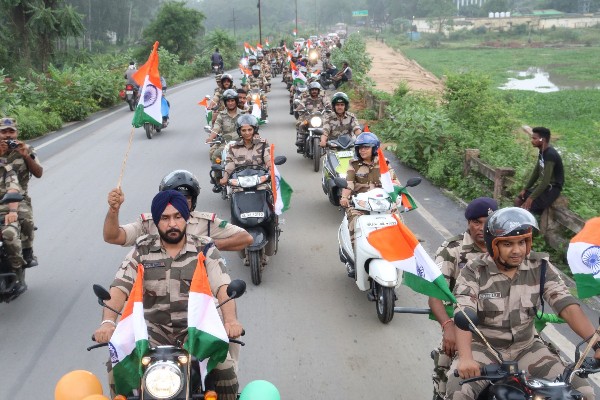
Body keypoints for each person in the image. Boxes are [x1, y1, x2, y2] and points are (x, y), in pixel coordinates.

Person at [95, 190, 244, 399]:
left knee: (224, 366)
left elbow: (223, 287)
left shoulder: (205, 248)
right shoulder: (142, 249)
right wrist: (108, 323)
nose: (172, 224)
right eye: (165, 218)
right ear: (156, 221)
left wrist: (231, 321)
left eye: (177, 217)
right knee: (115, 364)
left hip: (195, 331)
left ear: (186, 218)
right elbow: (120, 286)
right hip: (152, 333)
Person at [446, 207, 599, 400]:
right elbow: (464, 311)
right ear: (493, 245)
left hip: (527, 348)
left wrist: (596, 343)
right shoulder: (474, 271)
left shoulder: (540, 266)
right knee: (458, 391)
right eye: (508, 244)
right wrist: (466, 358)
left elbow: (566, 305)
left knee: (583, 393)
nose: (517, 250)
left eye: (522, 242)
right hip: (484, 349)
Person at [428, 197, 498, 399]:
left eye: (487, 222)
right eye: (476, 222)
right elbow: (435, 296)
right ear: (469, 223)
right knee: (449, 375)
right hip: (464, 325)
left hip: (501, 326)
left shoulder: (506, 247)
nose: (481, 228)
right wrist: (448, 326)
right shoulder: (452, 249)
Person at [103, 170, 252, 252]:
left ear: (193, 200)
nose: (181, 202)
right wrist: (113, 210)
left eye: (186, 198)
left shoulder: (205, 222)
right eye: (165, 218)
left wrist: (207, 246)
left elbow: (246, 238)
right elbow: (112, 237)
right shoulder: (148, 223)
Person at [339, 132, 398, 274]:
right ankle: (356, 256)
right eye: (360, 148)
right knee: (354, 220)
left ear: (374, 148)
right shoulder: (354, 165)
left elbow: (394, 182)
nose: (362, 150)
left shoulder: (384, 164)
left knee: (398, 219)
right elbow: (349, 184)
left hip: (382, 204)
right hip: (360, 205)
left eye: (366, 147)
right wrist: (345, 198)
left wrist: (399, 193)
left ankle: (400, 254)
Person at [0, 117, 41, 268]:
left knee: (26, 219)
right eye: (4, 132)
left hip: (19, 197)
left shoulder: (26, 148)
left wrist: (25, 156)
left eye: (11, 131)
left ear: (16, 133)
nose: (8, 135)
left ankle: (27, 252)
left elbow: (38, 173)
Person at [514, 126, 563, 215]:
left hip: (552, 189)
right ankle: (517, 225)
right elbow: (536, 172)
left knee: (525, 208)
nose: (532, 140)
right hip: (546, 187)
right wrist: (525, 188)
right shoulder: (542, 152)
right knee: (518, 199)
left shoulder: (550, 155)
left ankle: (525, 227)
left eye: (534, 138)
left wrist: (531, 197)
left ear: (542, 140)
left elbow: (546, 180)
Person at [220, 115, 271, 188]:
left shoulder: (263, 144)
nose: (247, 133)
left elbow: (268, 160)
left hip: (260, 181)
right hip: (239, 182)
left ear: (254, 130)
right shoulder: (233, 147)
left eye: (250, 129)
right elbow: (229, 165)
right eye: (243, 130)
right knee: (233, 193)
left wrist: (271, 171)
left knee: (268, 192)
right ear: (239, 131)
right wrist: (225, 177)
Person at [206, 89, 243, 167]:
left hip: (242, 142)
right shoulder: (221, 115)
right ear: (225, 103)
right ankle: (218, 178)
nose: (230, 103)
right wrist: (211, 137)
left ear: (236, 101)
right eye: (228, 101)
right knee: (215, 155)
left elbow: (251, 127)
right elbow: (216, 127)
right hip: (225, 144)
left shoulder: (243, 114)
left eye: (232, 100)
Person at [295, 82, 330, 152]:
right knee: (301, 124)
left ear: (318, 90)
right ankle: (301, 141)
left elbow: (327, 102)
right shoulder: (306, 97)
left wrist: (329, 107)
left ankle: (329, 141)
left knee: (328, 125)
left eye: (316, 90)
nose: (314, 91)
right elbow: (302, 103)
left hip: (320, 117)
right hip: (307, 117)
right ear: (310, 91)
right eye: (312, 90)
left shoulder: (322, 97)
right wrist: (299, 108)